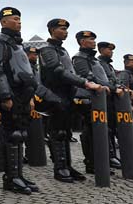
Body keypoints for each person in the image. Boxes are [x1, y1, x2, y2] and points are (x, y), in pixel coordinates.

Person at [38, 20, 103, 183]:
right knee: (57, 132)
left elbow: (69, 71)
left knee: (66, 132)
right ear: (53, 30)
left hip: (67, 94)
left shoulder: (62, 50)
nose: (65, 31)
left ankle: (68, 165)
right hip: (54, 94)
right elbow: (58, 71)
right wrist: (84, 83)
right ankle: (60, 167)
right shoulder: (47, 49)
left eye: (66, 29)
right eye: (62, 29)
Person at [0, 7, 40, 194]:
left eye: (20, 19)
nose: (19, 22)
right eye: (15, 19)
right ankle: (11, 178)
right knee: (12, 135)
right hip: (11, 93)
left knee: (21, 135)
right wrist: (5, 95)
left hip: (24, 95)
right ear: (3, 21)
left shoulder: (18, 45)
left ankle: (19, 174)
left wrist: (31, 96)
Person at [72, 31, 122, 173]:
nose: (94, 41)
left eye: (94, 39)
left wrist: (116, 86)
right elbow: (89, 77)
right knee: (91, 131)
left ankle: (101, 161)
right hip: (88, 98)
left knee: (101, 131)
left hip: (99, 98)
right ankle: (92, 163)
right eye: (90, 39)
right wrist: (113, 88)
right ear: (82, 41)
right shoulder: (79, 58)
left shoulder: (93, 59)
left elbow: (105, 79)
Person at [97, 41, 122, 168]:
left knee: (112, 128)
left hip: (112, 99)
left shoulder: (109, 65)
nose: (111, 52)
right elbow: (103, 80)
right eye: (109, 49)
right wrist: (114, 88)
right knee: (106, 129)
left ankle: (112, 155)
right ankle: (109, 156)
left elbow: (115, 80)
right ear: (101, 50)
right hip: (104, 98)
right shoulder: (99, 63)